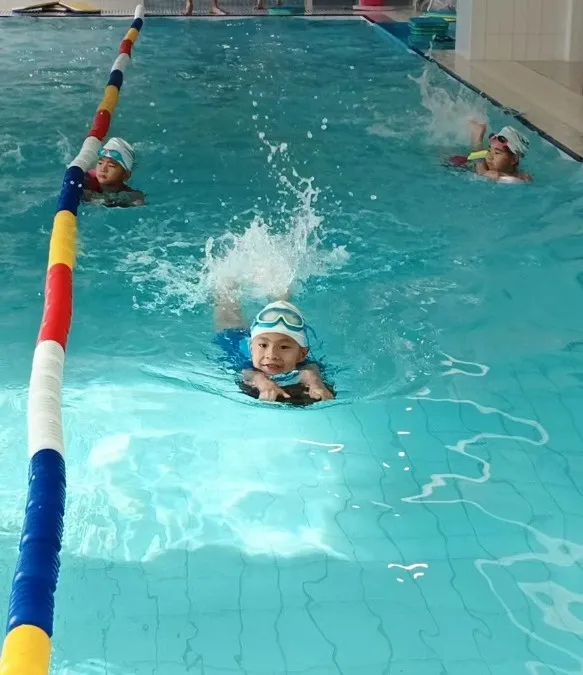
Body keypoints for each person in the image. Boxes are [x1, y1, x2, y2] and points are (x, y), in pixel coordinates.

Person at [214, 289, 334, 403]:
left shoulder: (305, 365)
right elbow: (249, 374)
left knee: (280, 302)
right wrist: (262, 383)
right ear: (251, 348)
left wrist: (316, 383)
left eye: (283, 347)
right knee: (228, 305)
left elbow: (310, 370)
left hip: (258, 337)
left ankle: (279, 293)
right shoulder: (243, 359)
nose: (271, 355)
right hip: (234, 339)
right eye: (263, 345)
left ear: (302, 354)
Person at [83, 137, 145, 207]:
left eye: (111, 166)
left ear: (126, 175)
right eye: (100, 163)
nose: (103, 169)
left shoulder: (133, 196)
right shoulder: (86, 182)